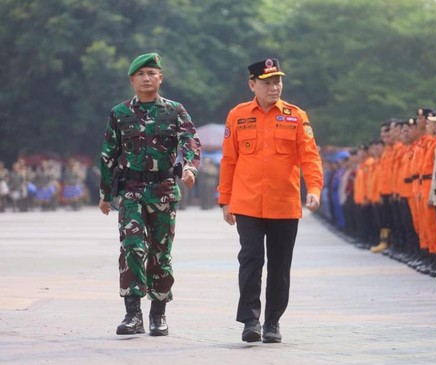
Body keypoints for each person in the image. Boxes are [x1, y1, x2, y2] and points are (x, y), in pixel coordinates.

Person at [218, 58, 323, 344]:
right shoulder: (237, 115)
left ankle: (273, 321)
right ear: (252, 84)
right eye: (267, 82)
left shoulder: (295, 115)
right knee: (251, 259)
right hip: (247, 203)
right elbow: (229, 160)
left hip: (284, 203)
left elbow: (309, 156)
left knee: (280, 264)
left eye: (277, 81)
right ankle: (250, 320)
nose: (274, 87)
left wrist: (313, 187)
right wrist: (224, 199)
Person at [98, 53, 201, 336]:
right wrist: (106, 194)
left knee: (160, 253)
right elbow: (109, 154)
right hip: (130, 192)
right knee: (132, 247)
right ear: (132, 80)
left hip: (164, 191)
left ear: (160, 78)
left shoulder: (175, 110)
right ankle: (132, 314)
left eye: (151, 73)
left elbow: (190, 140)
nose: (146, 78)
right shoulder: (119, 113)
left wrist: (190, 167)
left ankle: (158, 315)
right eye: (141, 74)